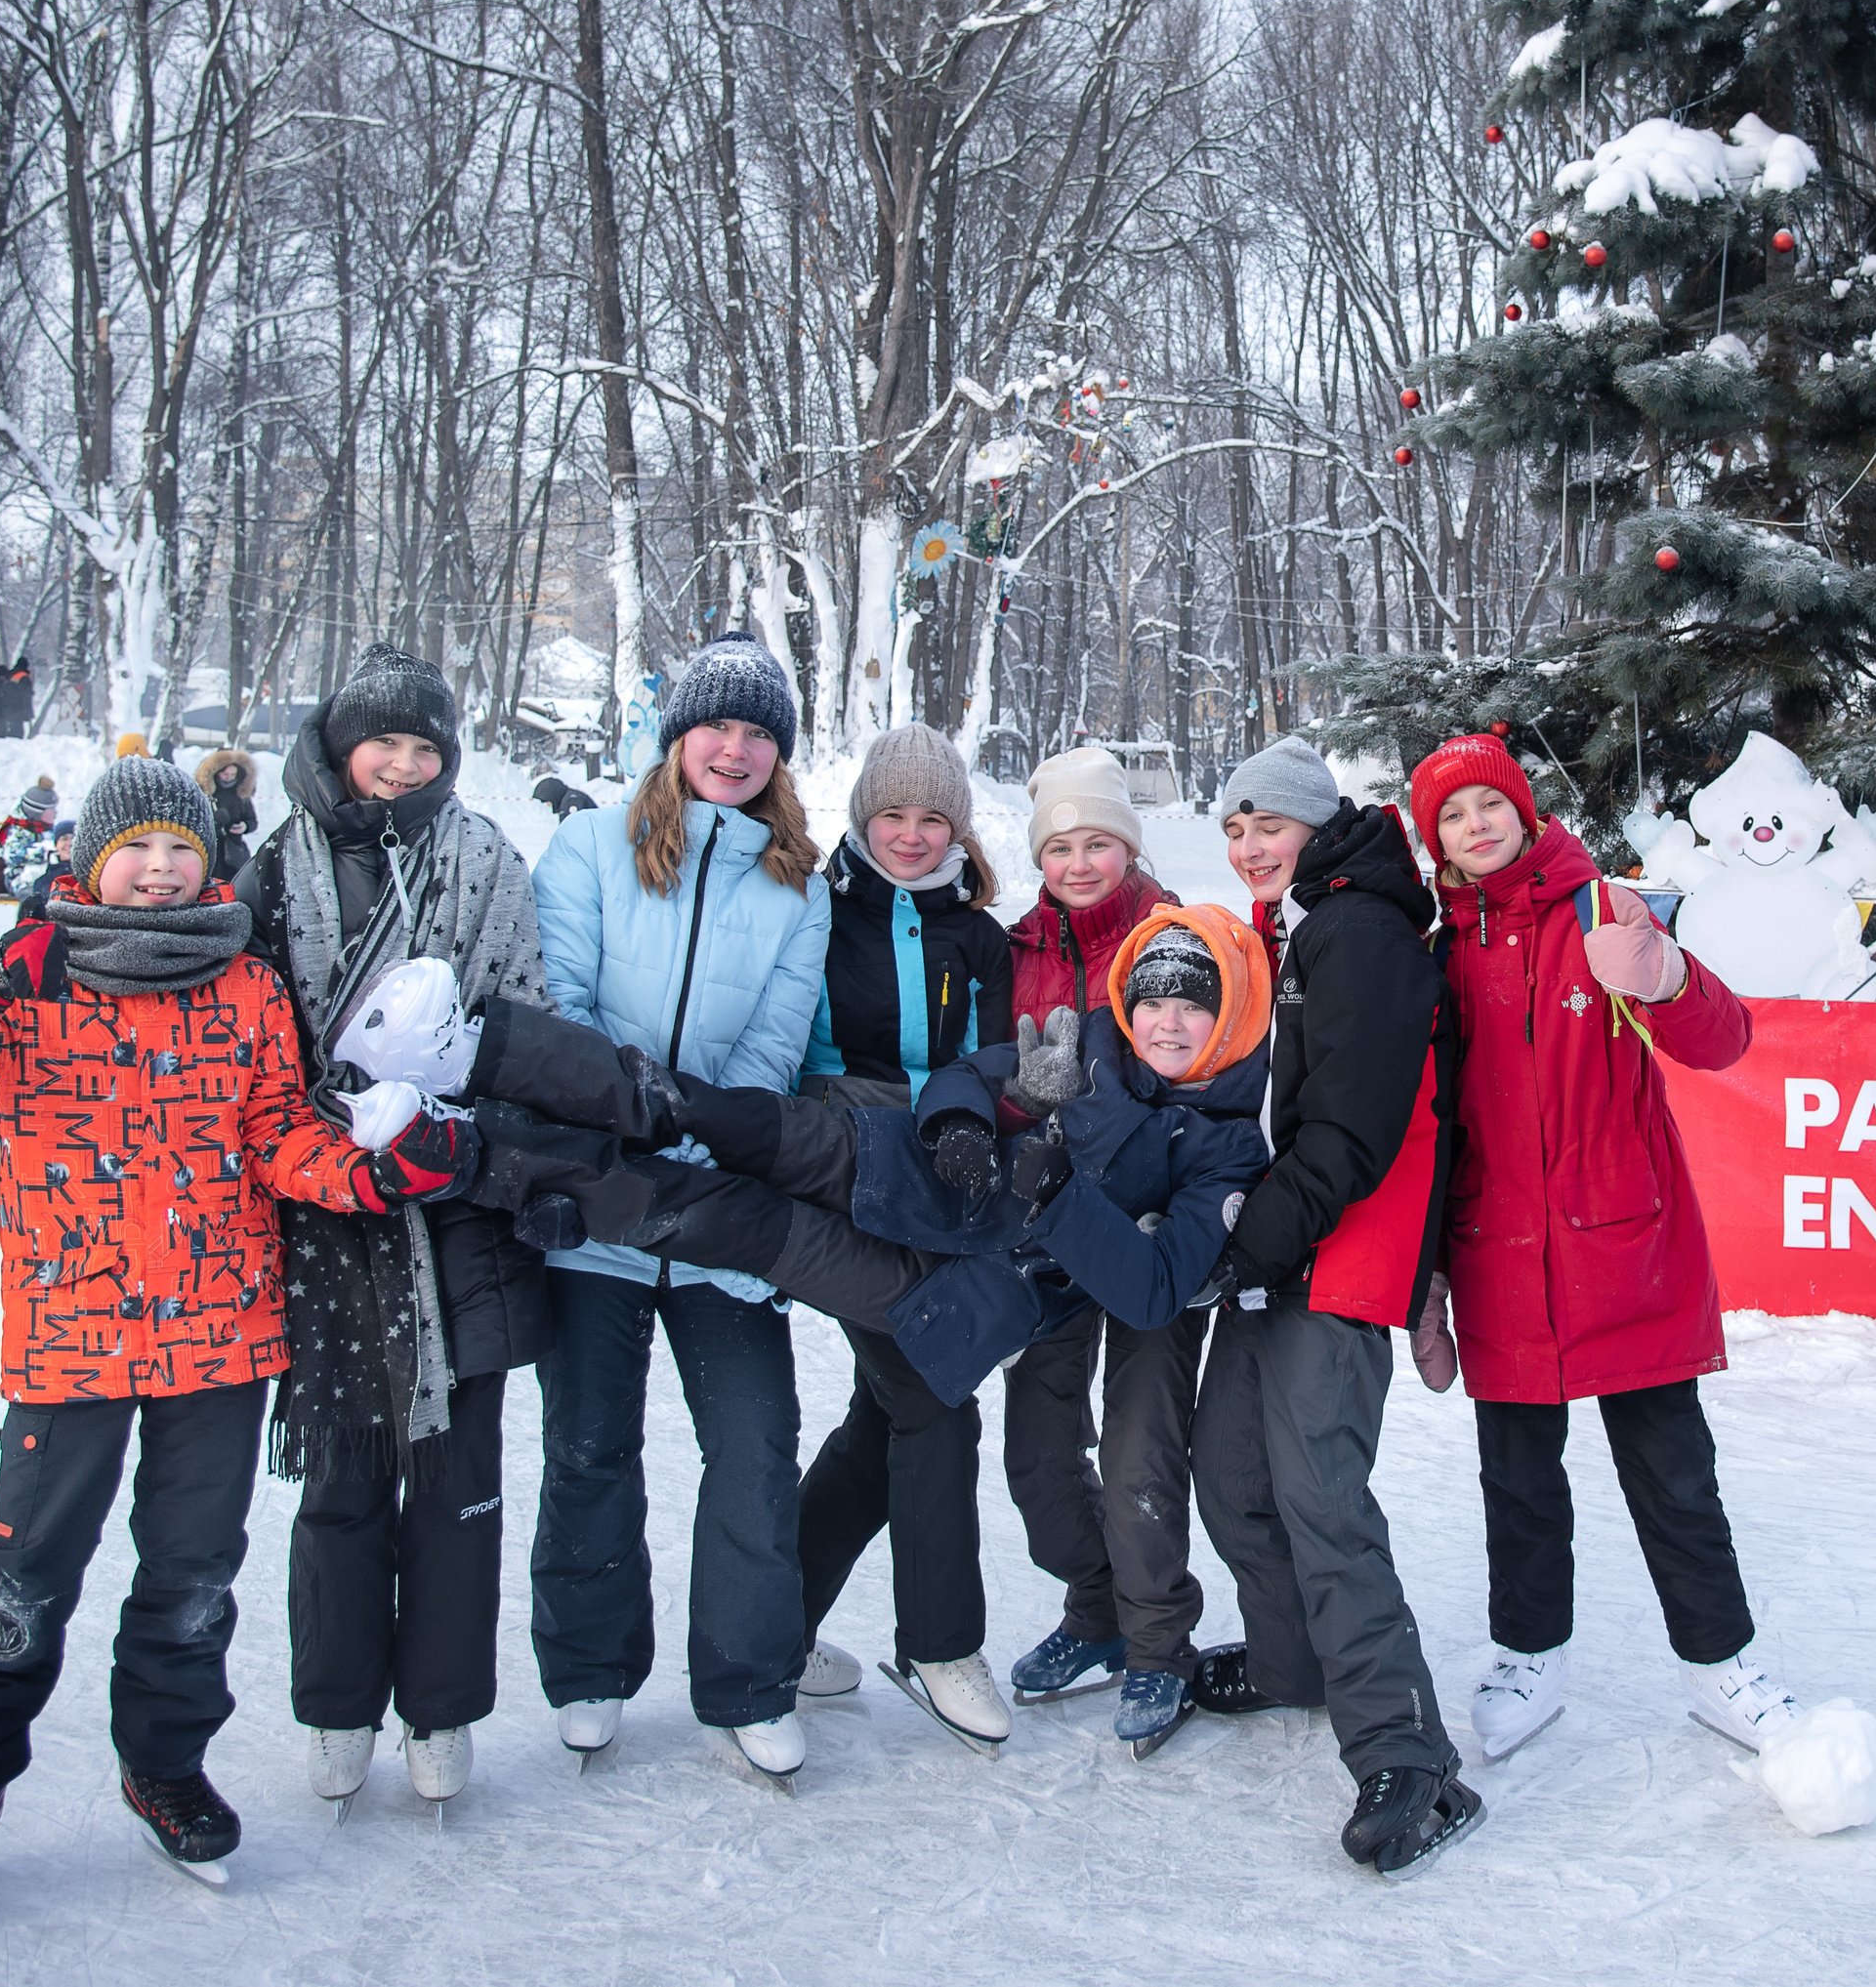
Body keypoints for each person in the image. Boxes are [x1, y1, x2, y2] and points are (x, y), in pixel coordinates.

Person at [0, 755, 479, 1918]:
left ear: (208, 863)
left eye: (179, 850)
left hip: (219, 1342)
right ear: (95, 860)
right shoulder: (37, 978)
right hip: (70, 1338)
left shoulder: (242, 987)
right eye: (136, 848)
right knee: (23, 1574)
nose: (157, 869)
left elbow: (281, 1134)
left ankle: (165, 1765)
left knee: (192, 1576)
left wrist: (377, 1171)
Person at [428, 905, 1272, 1754]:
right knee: (703, 1111)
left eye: (1192, 1004)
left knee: (731, 1222)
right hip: (894, 1161)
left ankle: (488, 1159)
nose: (1167, 1022)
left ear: (1231, 1010)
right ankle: (480, 1052)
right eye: (1154, 1000)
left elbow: (1156, 1289)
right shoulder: (1088, 1046)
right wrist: (969, 1121)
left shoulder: (1225, 1149)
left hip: (939, 1284)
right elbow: (967, 1076)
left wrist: (1063, 1195)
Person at [1408, 732, 1798, 1763]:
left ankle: (1723, 1668)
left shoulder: (1601, 910)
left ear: (1524, 813)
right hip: (1497, 1248)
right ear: (1432, 840)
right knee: (1518, 1477)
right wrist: (1429, 1272)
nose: (1476, 827)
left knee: (1673, 1472)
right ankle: (1528, 1656)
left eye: (1489, 806)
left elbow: (1722, 1042)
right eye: (1452, 817)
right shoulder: (1434, 945)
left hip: (1625, 1244)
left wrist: (1664, 974)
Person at [232, 644, 554, 1810]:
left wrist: (465, 1128)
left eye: (427, 747)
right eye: (386, 743)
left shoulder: (485, 859)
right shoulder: (278, 865)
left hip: (462, 1208)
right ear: (337, 744)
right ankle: (334, 1706)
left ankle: (442, 1708)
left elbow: (526, 1014)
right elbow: (239, 1027)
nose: (405, 765)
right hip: (328, 1217)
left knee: (461, 1480)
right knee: (346, 1477)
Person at [521, 632, 828, 1782]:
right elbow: (559, 997)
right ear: (676, 738)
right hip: (596, 1198)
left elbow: (775, 1044)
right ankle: (591, 1668)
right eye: (718, 727)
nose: (736, 749)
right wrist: (625, 1101)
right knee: (590, 1445)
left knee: (751, 1446)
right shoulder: (590, 847)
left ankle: (748, 1679)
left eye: (759, 733)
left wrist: (697, 1127)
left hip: (720, 1207)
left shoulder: (796, 883)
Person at [1189, 734, 1483, 1879]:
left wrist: (1244, 1245)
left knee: (1320, 1501)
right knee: (1230, 1473)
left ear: (1317, 826)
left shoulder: (1358, 930)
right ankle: (1288, 1663)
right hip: (1282, 1252)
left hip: (1338, 1259)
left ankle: (1410, 1757)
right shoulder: (1302, 920)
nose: (1250, 846)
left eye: (1269, 825)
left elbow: (1349, 1133)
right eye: (1233, 828)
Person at [789, 724, 1014, 1743]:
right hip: (847, 1183)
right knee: (933, 1399)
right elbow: (798, 1052)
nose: (914, 836)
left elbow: (990, 1064)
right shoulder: (819, 916)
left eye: (933, 818)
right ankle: (940, 1643)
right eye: (895, 815)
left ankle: (769, 1624)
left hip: (947, 1194)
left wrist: (961, 1119)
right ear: (862, 818)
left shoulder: (977, 935)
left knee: (881, 1421)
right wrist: (876, 1111)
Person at [996, 746, 1181, 1715]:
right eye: (1059, 845)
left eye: (1096, 842)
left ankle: (1156, 1642)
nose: (1076, 863)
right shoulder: (1017, 945)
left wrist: (1088, 1114)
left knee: (1140, 1449)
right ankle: (1095, 1607)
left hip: (1152, 1232)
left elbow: (1201, 1083)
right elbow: (994, 1075)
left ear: (1127, 844)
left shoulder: (1171, 934)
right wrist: (1025, 1112)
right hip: (1052, 1230)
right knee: (1036, 1451)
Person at [0, 775, 60, 901]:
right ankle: (30, 918)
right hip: (20, 877)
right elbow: (12, 853)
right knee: (33, 895)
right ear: (37, 811)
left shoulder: (48, 830)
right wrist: (45, 854)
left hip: (44, 875)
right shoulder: (18, 830)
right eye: (51, 809)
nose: (55, 813)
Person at [194, 748, 258, 883]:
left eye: (233, 774)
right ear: (216, 771)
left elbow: (252, 821)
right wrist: (216, 821)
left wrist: (244, 826)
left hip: (234, 854)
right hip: (210, 853)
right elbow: (195, 823)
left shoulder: (241, 794)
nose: (228, 778)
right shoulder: (205, 794)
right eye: (225, 773)